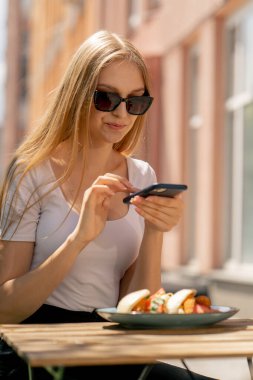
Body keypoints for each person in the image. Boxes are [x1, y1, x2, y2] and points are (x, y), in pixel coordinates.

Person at [0, 30, 216, 380]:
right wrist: (78, 239)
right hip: (42, 352)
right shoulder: (32, 172)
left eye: (135, 101)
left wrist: (155, 231)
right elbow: (6, 309)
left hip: (114, 348)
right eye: (106, 98)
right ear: (77, 94)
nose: (122, 113)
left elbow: (136, 306)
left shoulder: (141, 174)